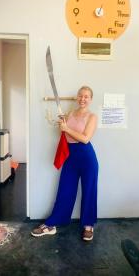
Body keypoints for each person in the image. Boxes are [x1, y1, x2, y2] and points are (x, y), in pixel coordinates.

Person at [31, 86, 99, 241]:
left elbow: (85, 138)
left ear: (90, 99)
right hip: (71, 157)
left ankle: (88, 225)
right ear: (77, 97)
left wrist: (66, 128)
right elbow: (64, 134)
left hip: (87, 157)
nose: (83, 99)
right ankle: (52, 223)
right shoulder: (69, 114)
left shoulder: (92, 116)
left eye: (86, 96)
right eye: (80, 96)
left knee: (89, 191)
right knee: (65, 190)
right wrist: (62, 124)